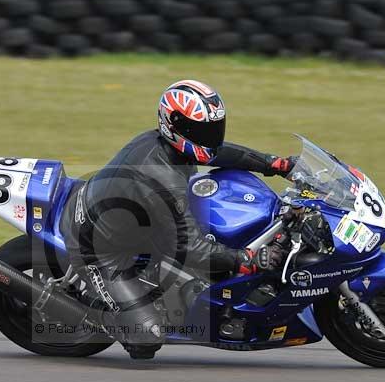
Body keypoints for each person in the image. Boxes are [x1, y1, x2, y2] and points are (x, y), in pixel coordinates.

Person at [59, 80, 295, 359]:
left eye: (213, 129)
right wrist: (245, 259)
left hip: (130, 221)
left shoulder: (168, 144)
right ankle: (95, 312)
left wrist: (274, 164)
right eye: (201, 131)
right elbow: (190, 249)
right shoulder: (163, 178)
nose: (209, 137)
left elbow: (222, 152)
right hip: (98, 248)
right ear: (174, 124)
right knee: (146, 338)